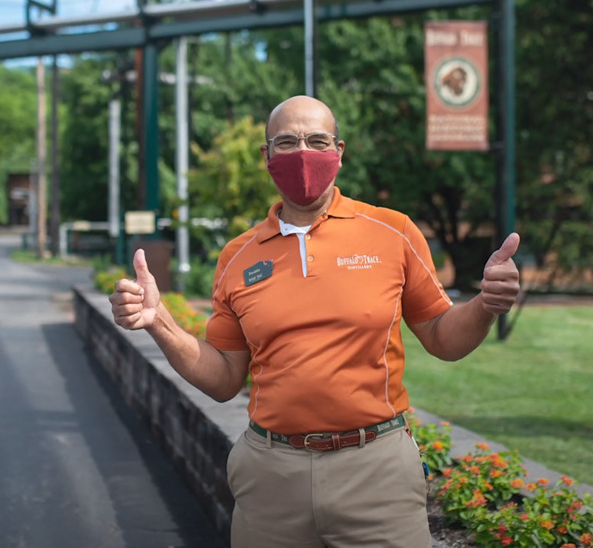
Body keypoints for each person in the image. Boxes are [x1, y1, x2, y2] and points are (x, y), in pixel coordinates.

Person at [109, 95, 520, 548]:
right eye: (286, 142)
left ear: (339, 152)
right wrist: (160, 322)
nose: (303, 153)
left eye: (317, 140)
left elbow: (444, 338)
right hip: (271, 478)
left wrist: (485, 305)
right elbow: (225, 379)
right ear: (266, 157)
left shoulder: (393, 231)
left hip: (376, 471)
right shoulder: (237, 257)